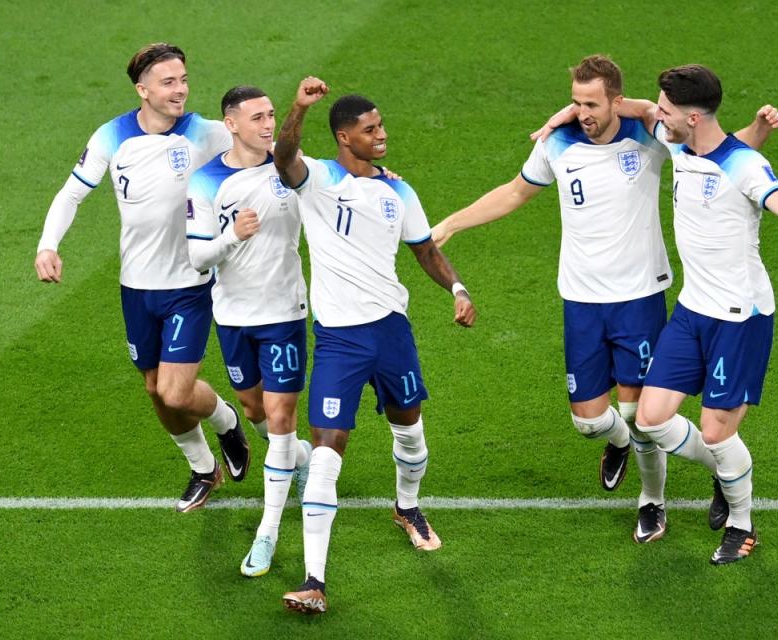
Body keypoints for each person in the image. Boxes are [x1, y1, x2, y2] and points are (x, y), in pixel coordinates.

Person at [433, 55, 778, 544]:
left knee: (643, 416)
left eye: (591, 103)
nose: (581, 113)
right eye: (575, 102)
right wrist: (451, 222)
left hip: (639, 296)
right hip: (579, 300)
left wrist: (758, 131)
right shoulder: (557, 142)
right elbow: (514, 193)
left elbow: (717, 154)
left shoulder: (649, 136)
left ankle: (653, 501)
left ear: (617, 100)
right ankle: (676, 456)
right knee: (590, 421)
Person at [616, 64, 778, 564]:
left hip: (740, 316)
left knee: (718, 432)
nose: (660, 115)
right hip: (693, 310)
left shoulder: (744, 167)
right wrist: (569, 112)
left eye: (669, 110)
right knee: (651, 419)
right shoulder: (680, 142)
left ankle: (742, 525)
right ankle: (724, 471)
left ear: (693, 117)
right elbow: (636, 108)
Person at [273, 77, 477, 614]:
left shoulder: (398, 191)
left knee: (410, 432)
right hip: (339, 340)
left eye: (381, 125)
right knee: (325, 455)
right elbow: (284, 156)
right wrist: (297, 108)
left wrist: (456, 288)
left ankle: (407, 508)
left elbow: (425, 250)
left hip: (391, 331)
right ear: (343, 137)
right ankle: (314, 579)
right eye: (370, 129)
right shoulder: (317, 180)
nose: (382, 134)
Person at [34, 43, 250, 513]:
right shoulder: (112, 136)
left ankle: (225, 419)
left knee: (176, 390)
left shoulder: (204, 133)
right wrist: (47, 245)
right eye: (169, 82)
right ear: (143, 90)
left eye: (184, 80)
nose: (181, 90)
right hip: (136, 285)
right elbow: (71, 195)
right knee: (155, 390)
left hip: (190, 285)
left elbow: (268, 151)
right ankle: (202, 468)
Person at [186, 85, 313, 576]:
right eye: (257, 117)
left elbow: (341, 182)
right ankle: (303, 461)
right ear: (231, 124)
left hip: (284, 311)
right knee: (254, 408)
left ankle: (268, 532)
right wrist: (231, 236)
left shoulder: (290, 168)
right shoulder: (207, 181)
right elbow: (198, 257)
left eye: (272, 115)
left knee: (280, 420)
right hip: (234, 315)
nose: (267, 124)